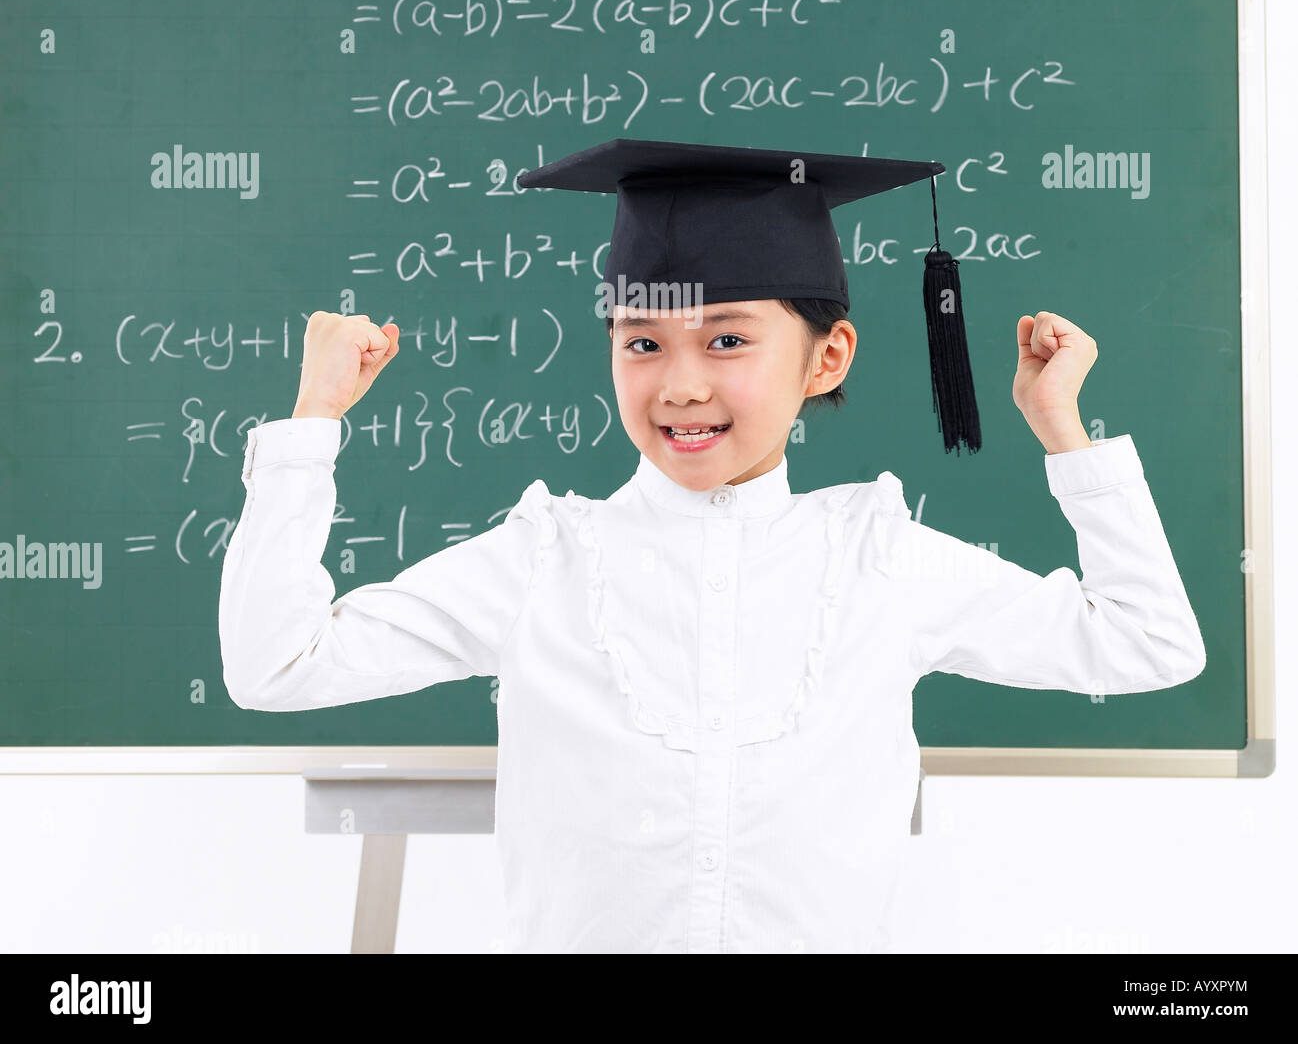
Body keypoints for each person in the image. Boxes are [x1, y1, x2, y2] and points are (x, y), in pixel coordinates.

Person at [219, 138, 1207, 954]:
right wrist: (312, 422)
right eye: (641, 343)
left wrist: (1061, 431)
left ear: (826, 358)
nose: (680, 385)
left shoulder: (875, 558)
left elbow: (1147, 642)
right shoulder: (544, 561)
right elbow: (277, 664)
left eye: (727, 341)